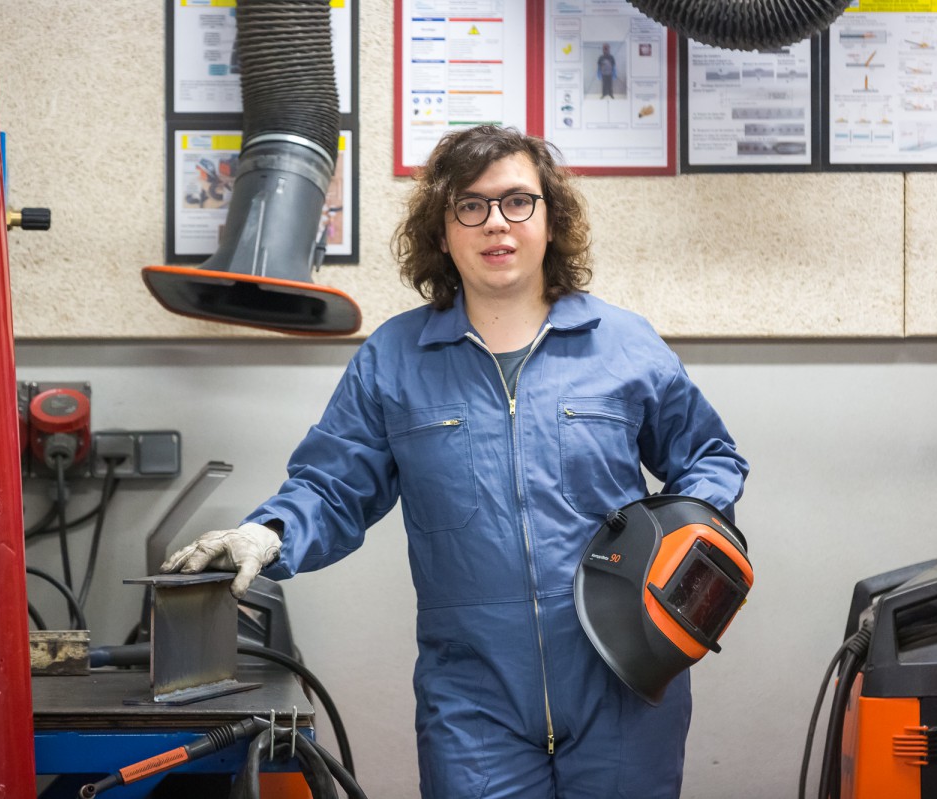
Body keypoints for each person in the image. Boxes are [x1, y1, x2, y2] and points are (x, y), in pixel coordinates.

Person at [161, 125, 749, 799]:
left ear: (550, 220)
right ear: (443, 232)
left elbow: (709, 455)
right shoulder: (394, 360)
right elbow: (332, 486)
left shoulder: (623, 345)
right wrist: (269, 532)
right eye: (470, 205)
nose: (496, 222)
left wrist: (684, 552)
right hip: (474, 698)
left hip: (623, 676)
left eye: (518, 201)